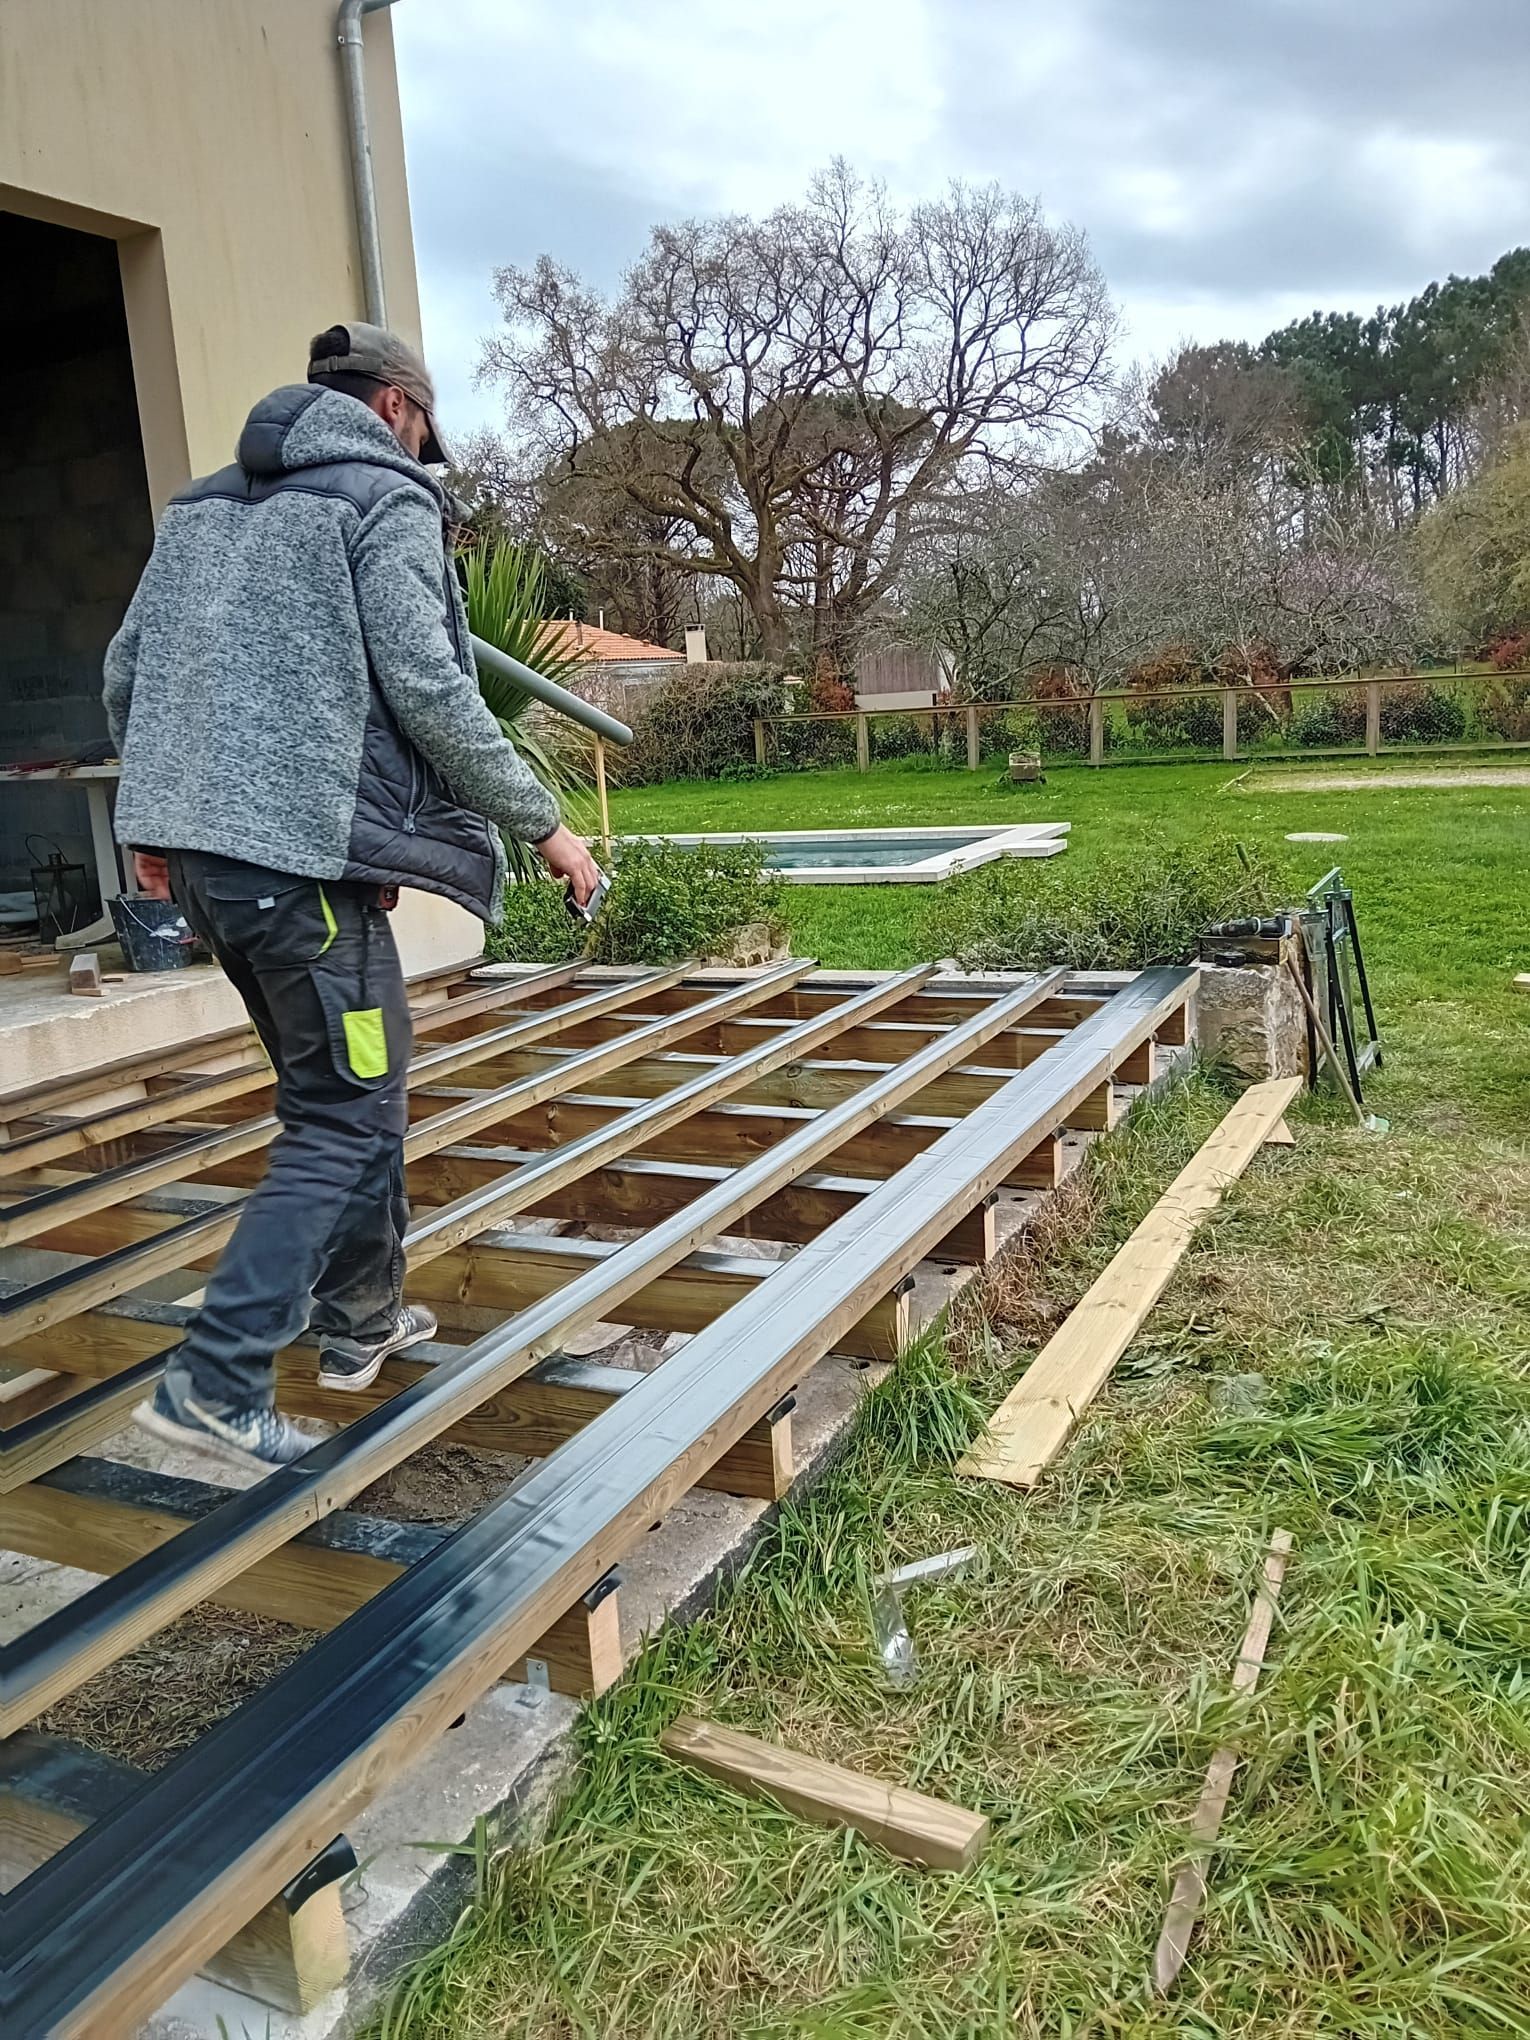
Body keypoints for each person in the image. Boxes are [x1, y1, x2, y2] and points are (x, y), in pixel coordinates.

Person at [103, 321, 599, 1473]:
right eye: (425, 431)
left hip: (222, 880)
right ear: (393, 410)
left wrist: (156, 821)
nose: (426, 453)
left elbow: (127, 670)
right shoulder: (384, 503)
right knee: (344, 1112)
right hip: (301, 874)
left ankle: (360, 1321)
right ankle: (217, 1386)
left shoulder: (200, 508)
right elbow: (431, 684)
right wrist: (549, 828)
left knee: (351, 1091)